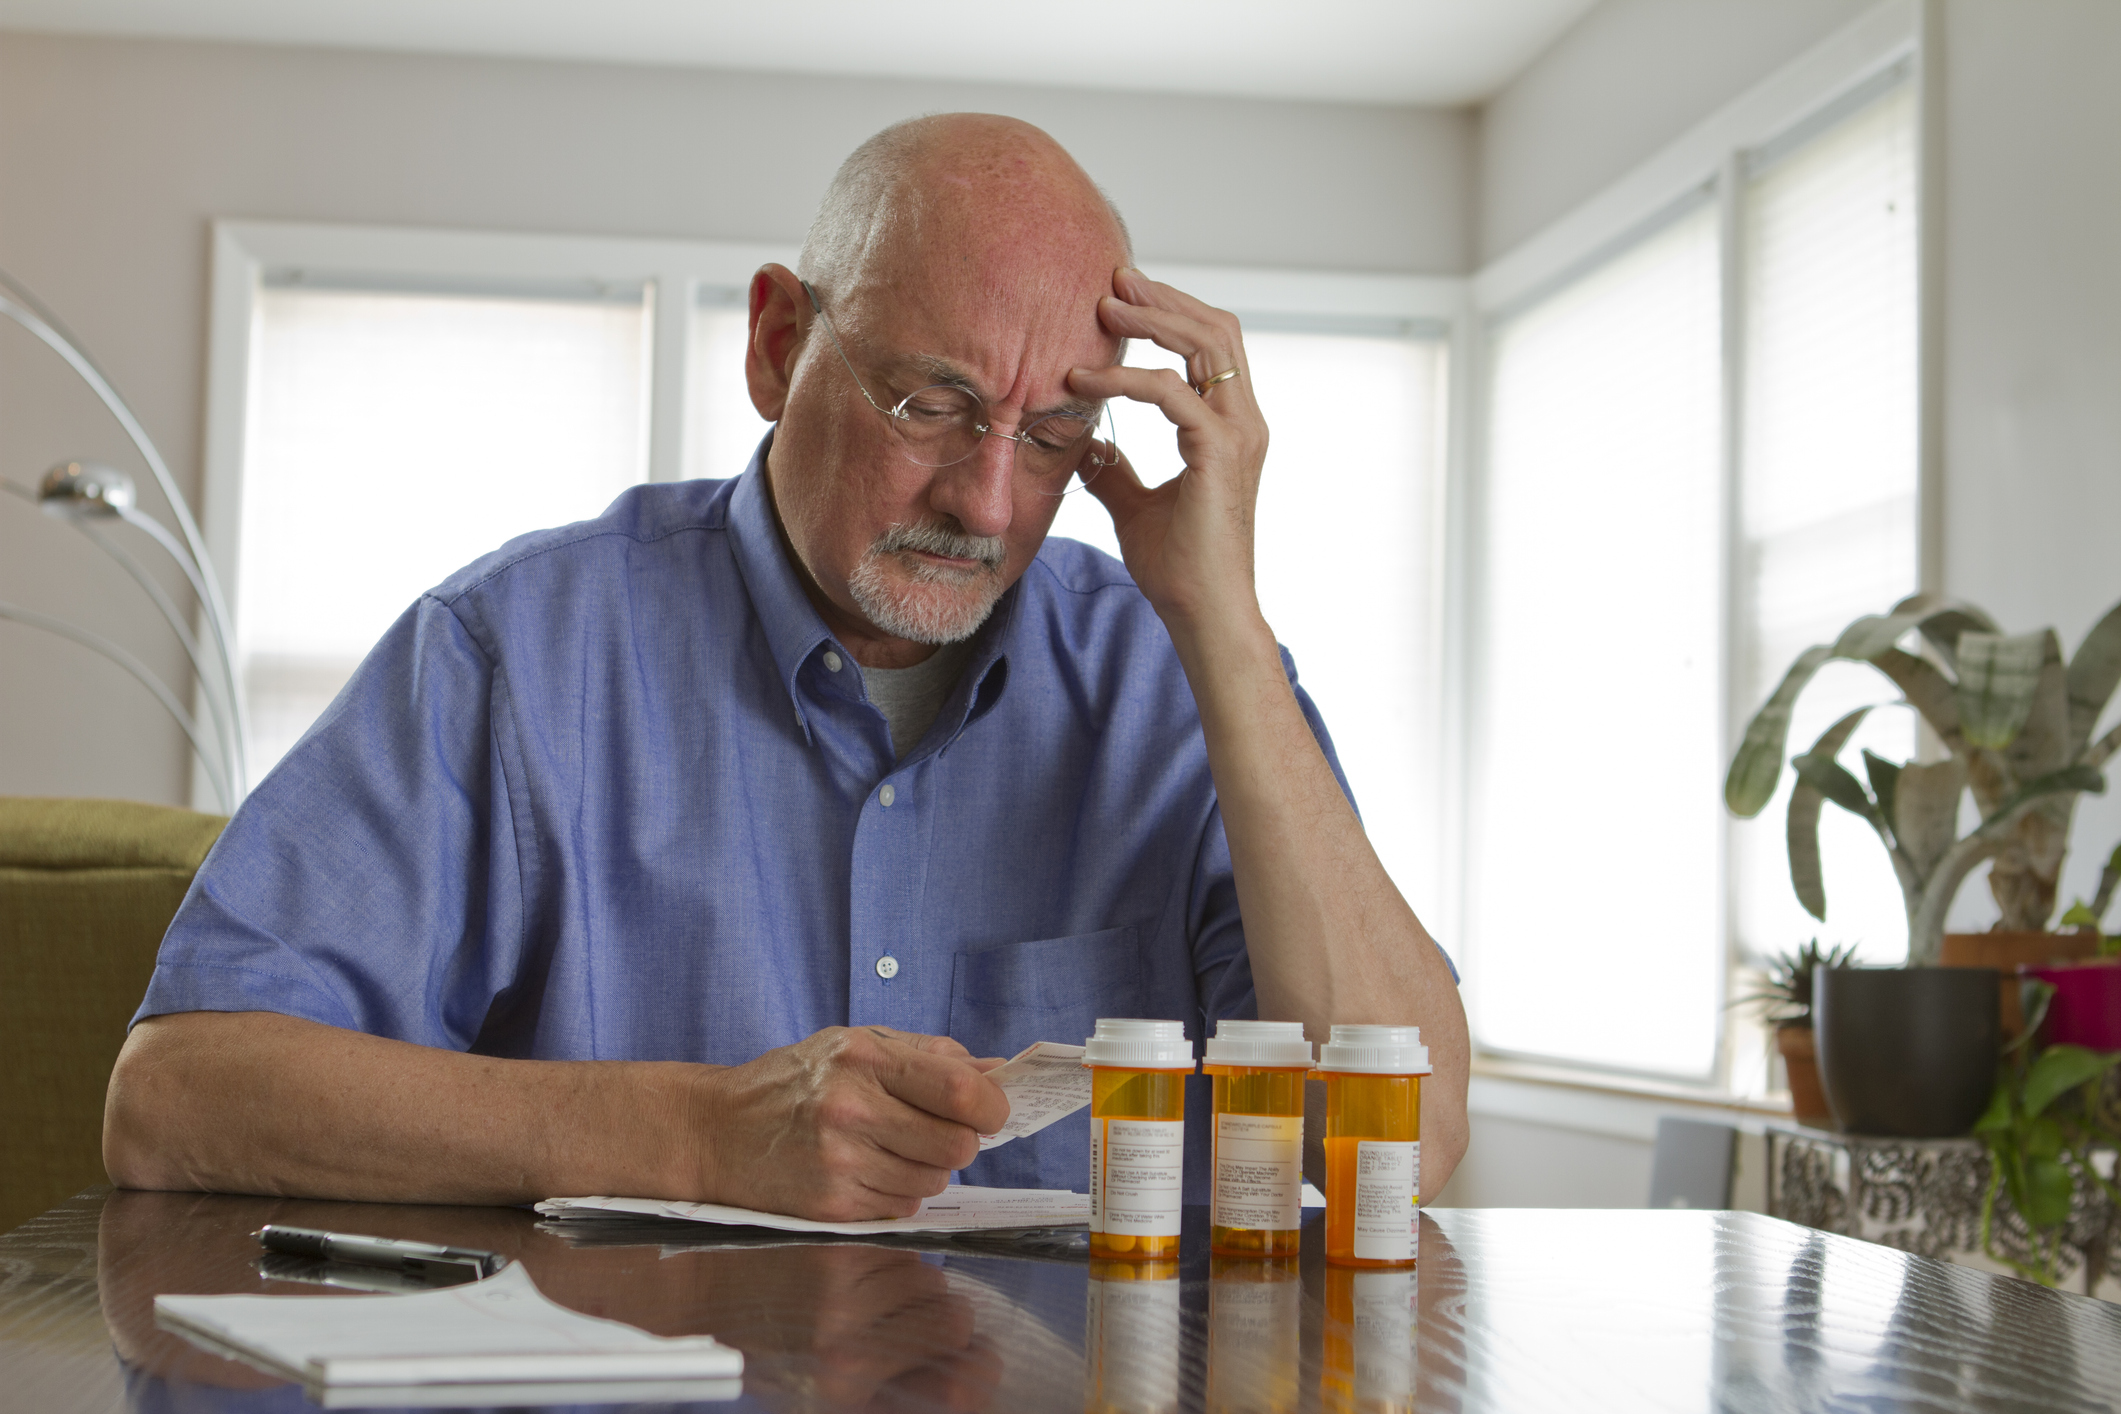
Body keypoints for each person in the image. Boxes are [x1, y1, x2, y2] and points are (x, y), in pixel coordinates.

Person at [104, 114, 1468, 1218]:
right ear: (775, 344)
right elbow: (174, 1098)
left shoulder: (1172, 675)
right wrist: (693, 1133)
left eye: (1053, 433)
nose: (990, 503)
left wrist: (1222, 623)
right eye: (932, 404)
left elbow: (1410, 1143)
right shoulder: (514, 653)